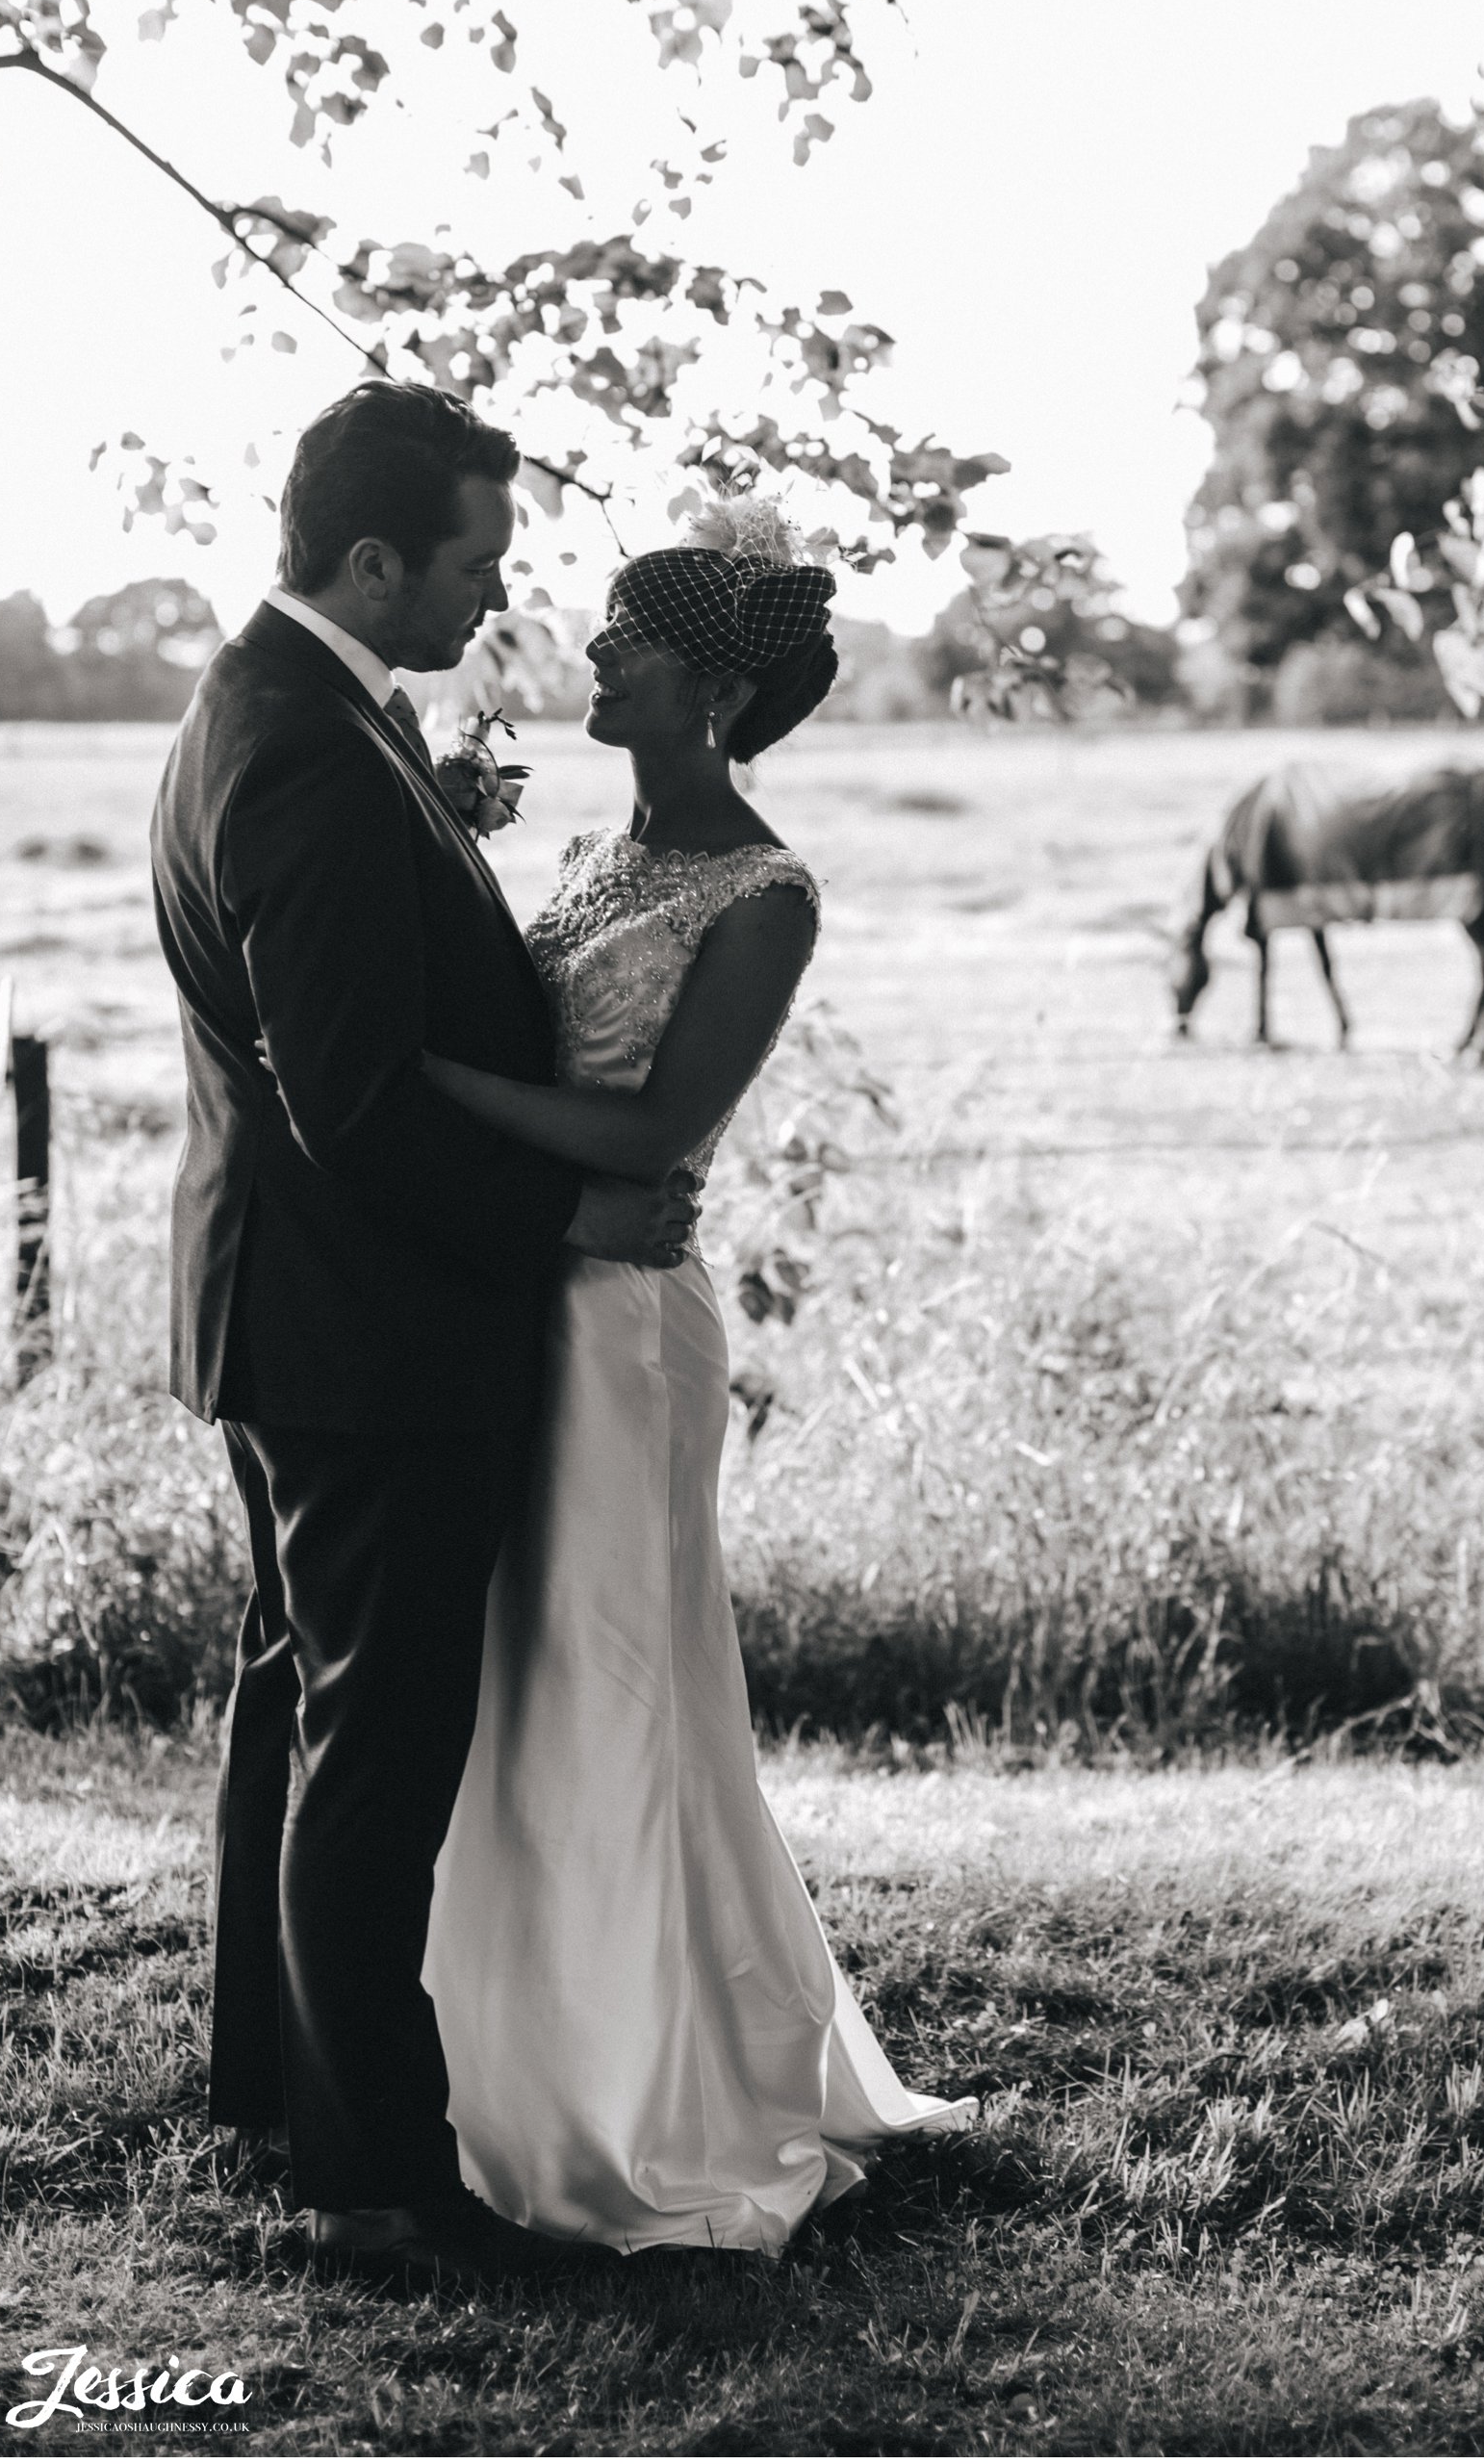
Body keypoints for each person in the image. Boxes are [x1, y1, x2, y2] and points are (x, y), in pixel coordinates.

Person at [149, 380, 697, 2292]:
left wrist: (435, 827)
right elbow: (358, 1095)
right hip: (361, 1319)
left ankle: (278, 2097)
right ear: (372, 556)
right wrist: (577, 1212)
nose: (497, 592)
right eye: (474, 557)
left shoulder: (273, 708)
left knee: (303, 1704)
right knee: (376, 1738)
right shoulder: (304, 746)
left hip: (285, 1302)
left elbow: (339, 975)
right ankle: (376, 2172)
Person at [419, 498, 973, 2251]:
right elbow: (545, 1032)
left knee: (611, 1667)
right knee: (519, 1669)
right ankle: (495, 2038)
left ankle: (638, 2082)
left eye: (627, 637)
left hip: (624, 1327)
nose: (592, 652)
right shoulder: (596, 850)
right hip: (530, 1286)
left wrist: (427, 1079)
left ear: (711, 688)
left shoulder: (762, 891)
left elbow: (661, 1123)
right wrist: (449, 853)